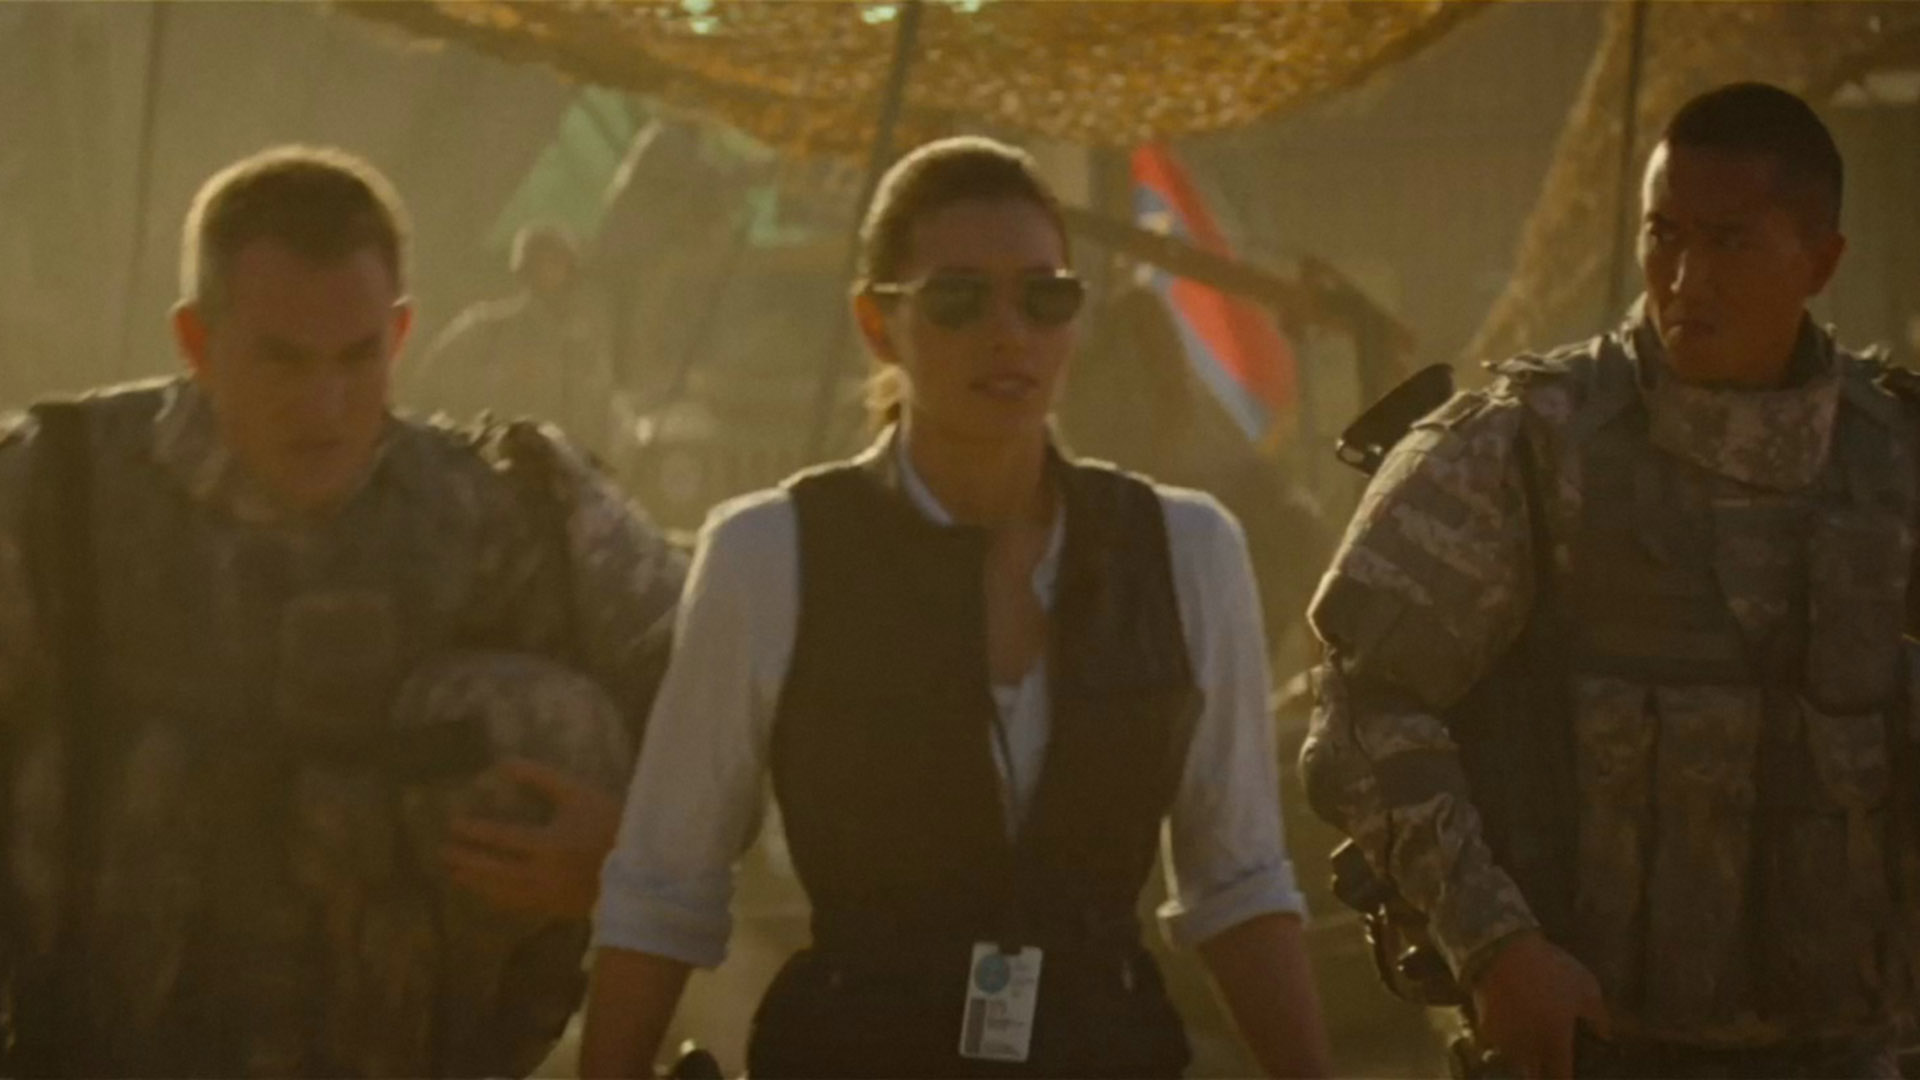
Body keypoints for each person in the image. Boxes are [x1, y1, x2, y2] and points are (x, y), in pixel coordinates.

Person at [580, 135, 1332, 1079]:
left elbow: (1238, 882)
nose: (1008, 332)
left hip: (1103, 1052)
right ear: (877, 323)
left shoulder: (1185, 551)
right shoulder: (769, 555)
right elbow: (664, 886)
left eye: (1043, 297)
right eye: (958, 299)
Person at [0, 146, 684, 1076]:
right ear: (197, 342)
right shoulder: (52, 501)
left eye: (357, 357)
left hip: (411, 1049)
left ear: (400, 334)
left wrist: (627, 858)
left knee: (528, 712)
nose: (324, 405)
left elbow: (733, 730)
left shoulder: (514, 514)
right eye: (281, 359)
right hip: (101, 1048)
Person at [1301, 82, 1912, 1078]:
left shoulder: (1892, 460)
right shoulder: (1529, 449)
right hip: (1589, 1049)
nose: (1685, 279)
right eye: (1663, 236)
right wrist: (1496, 945)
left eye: (1729, 242)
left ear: (1822, 260)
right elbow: (1358, 711)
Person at [411, 222, 622, 461]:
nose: (549, 273)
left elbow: (603, 410)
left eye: (556, 263)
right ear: (525, 269)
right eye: (541, 263)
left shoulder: (582, 342)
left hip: (561, 463)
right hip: (497, 459)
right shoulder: (488, 328)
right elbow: (431, 380)